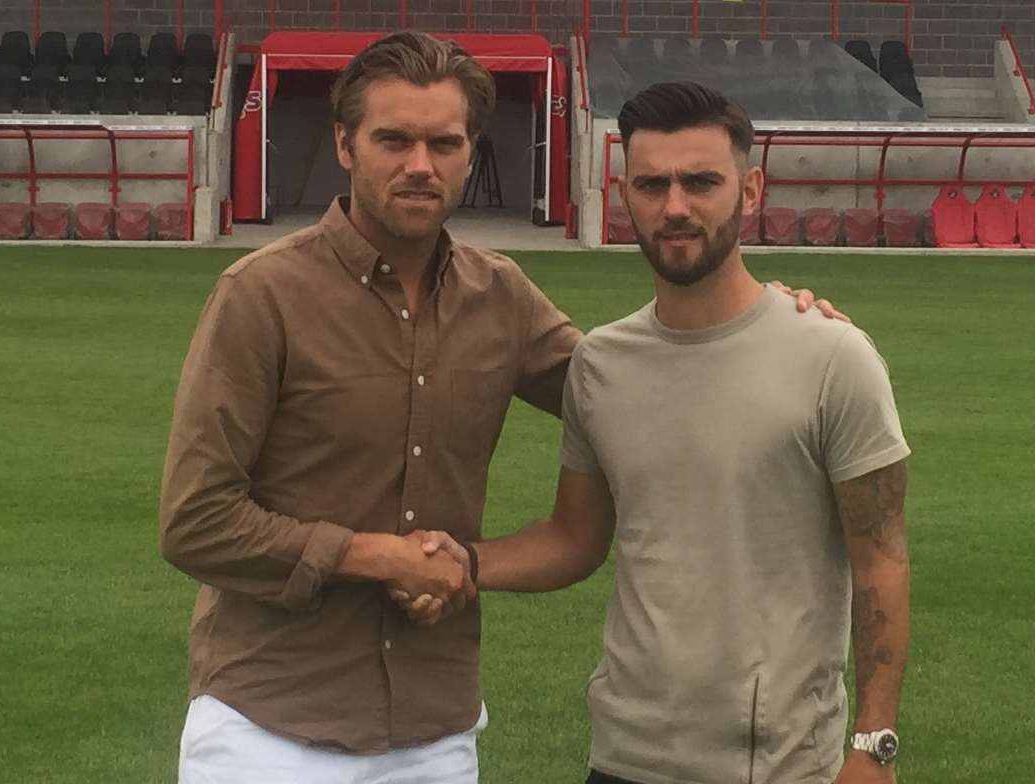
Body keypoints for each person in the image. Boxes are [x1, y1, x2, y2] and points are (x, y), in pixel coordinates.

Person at [160, 31, 843, 784]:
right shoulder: (261, 298)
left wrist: (763, 320)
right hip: (269, 729)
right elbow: (196, 520)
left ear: (470, 150)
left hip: (435, 732)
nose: (421, 165)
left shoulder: (500, 298)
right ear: (345, 146)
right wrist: (374, 555)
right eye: (394, 139)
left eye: (444, 142)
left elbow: (636, 387)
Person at [403, 82, 911, 784]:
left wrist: (873, 746)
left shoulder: (832, 357)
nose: (675, 207)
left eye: (701, 182)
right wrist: (464, 562)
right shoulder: (602, 365)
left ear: (752, 189)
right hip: (624, 756)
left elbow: (881, 563)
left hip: (781, 765)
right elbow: (575, 536)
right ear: (624, 194)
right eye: (653, 184)